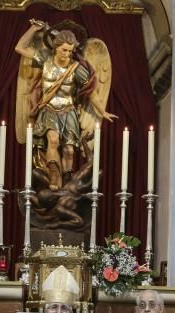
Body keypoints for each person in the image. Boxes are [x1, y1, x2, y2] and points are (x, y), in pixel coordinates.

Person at [14, 20, 114, 189]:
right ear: (55, 47)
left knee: (68, 150)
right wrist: (33, 29)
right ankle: (54, 174)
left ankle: (67, 178)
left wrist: (102, 111)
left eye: (70, 50)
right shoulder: (45, 59)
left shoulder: (77, 68)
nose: (67, 54)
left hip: (68, 111)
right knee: (52, 140)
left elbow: (91, 92)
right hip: (48, 109)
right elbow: (20, 48)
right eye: (63, 50)